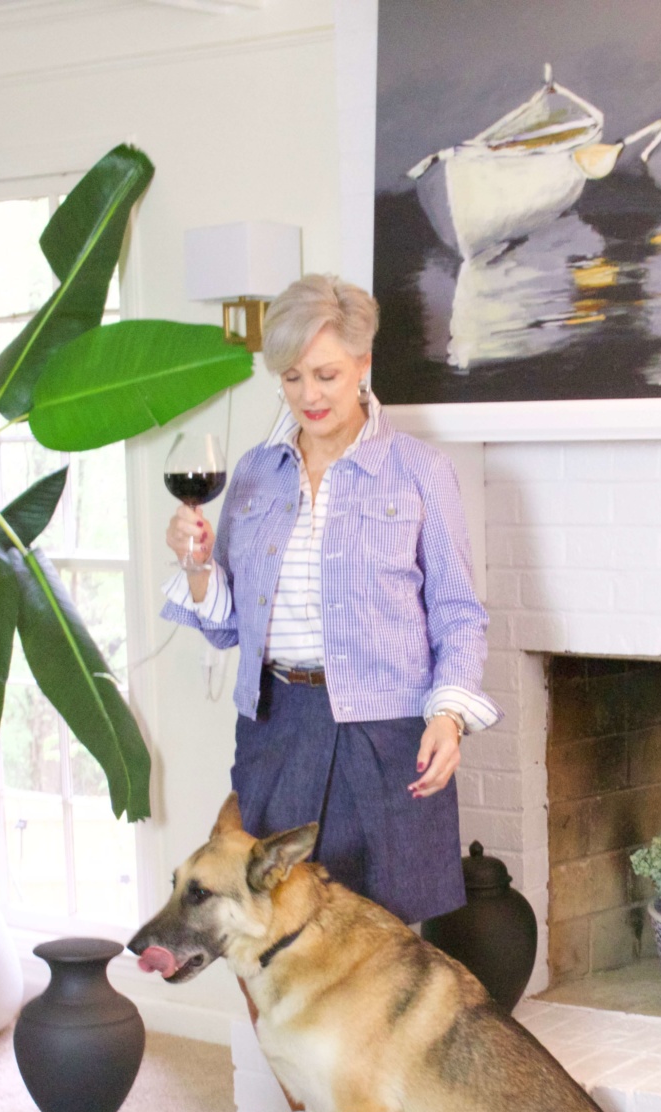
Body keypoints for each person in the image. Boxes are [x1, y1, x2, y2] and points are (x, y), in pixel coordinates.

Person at [161, 273, 501, 933]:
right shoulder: (257, 474)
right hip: (276, 729)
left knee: (381, 947)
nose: (308, 396)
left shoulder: (418, 471)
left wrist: (448, 718)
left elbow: (458, 613)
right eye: (291, 378)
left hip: (388, 733)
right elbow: (230, 627)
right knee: (266, 937)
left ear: (362, 365)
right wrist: (195, 563)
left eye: (325, 374)